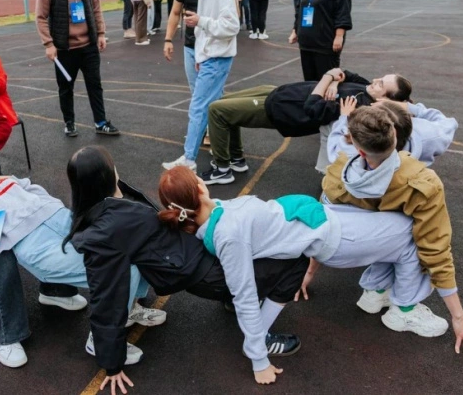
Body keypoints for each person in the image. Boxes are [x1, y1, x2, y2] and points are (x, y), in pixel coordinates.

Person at [160, 165, 457, 382]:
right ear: (200, 189)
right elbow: (244, 295)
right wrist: (258, 359)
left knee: (401, 229)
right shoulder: (228, 233)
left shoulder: (216, 214)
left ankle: (377, 292)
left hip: (324, 222)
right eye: (197, 179)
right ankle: (403, 309)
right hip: (335, 236)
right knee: (410, 232)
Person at [66, 146, 311, 394]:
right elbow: (106, 296)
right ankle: (261, 340)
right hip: (207, 274)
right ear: (108, 176)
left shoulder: (113, 203)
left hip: (198, 261)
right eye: (112, 165)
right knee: (297, 261)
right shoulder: (107, 230)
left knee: (260, 250)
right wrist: (112, 364)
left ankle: (231, 300)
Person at [0, 161, 165, 368]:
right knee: (121, 269)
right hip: (39, 245)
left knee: (133, 247)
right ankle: (102, 340)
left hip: (66, 222)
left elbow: (35, 192)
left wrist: (16, 183)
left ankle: (126, 308)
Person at [321, 107, 463, 359]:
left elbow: (325, 207)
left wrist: (308, 271)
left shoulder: (340, 163)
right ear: (395, 136)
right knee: (417, 231)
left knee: (388, 220)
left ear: (357, 147)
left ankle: (376, 292)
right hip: (358, 242)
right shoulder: (420, 181)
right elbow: (436, 250)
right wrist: (458, 317)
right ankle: (404, 311)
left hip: (330, 243)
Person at [199, 68, 411, 185]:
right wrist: (335, 80)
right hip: (282, 94)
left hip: (282, 109)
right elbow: (343, 72)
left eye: (381, 84)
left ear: (385, 98)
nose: (375, 79)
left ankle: (223, 169)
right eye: (380, 77)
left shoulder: (357, 106)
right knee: (223, 103)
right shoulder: (367, 87)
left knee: (218, 110)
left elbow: (313, 107)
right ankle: (236, 159)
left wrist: (327, 78)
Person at [162, 0, 239, 172]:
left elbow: (232, 26)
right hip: (210, 57)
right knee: (216, 108)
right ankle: (234, 157)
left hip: (218, 58)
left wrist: (201, 21)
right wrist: (200, 56)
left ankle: (189, 159)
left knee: (198, 107)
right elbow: (204, 30)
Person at [35, 0, 120, 138]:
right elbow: (40, 17)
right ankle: (69, 123)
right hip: (64, 49)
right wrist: (48, 44)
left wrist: (100, 33)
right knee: (66, 88)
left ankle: (100, 122)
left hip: (88, 46)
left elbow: (96, 8)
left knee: (95, 85)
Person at [328, 97, 458, 166]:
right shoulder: (429, 135)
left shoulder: (347, 153)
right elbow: (448, 123)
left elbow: (334, 144)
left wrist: (344, 118)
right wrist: (408, 107)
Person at [289, 0, 352, 82]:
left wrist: (339, 36)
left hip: (325, 43)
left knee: (325, 81)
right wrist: (295, 30)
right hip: (307, 42)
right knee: (309, 82)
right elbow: (300, 8)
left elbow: (342, 11)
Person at [162, 0, 213, 96]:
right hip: (191, 45)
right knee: (195, 91)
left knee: (212, 92)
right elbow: (175, 12)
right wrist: (168, 39)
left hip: (212, 46)